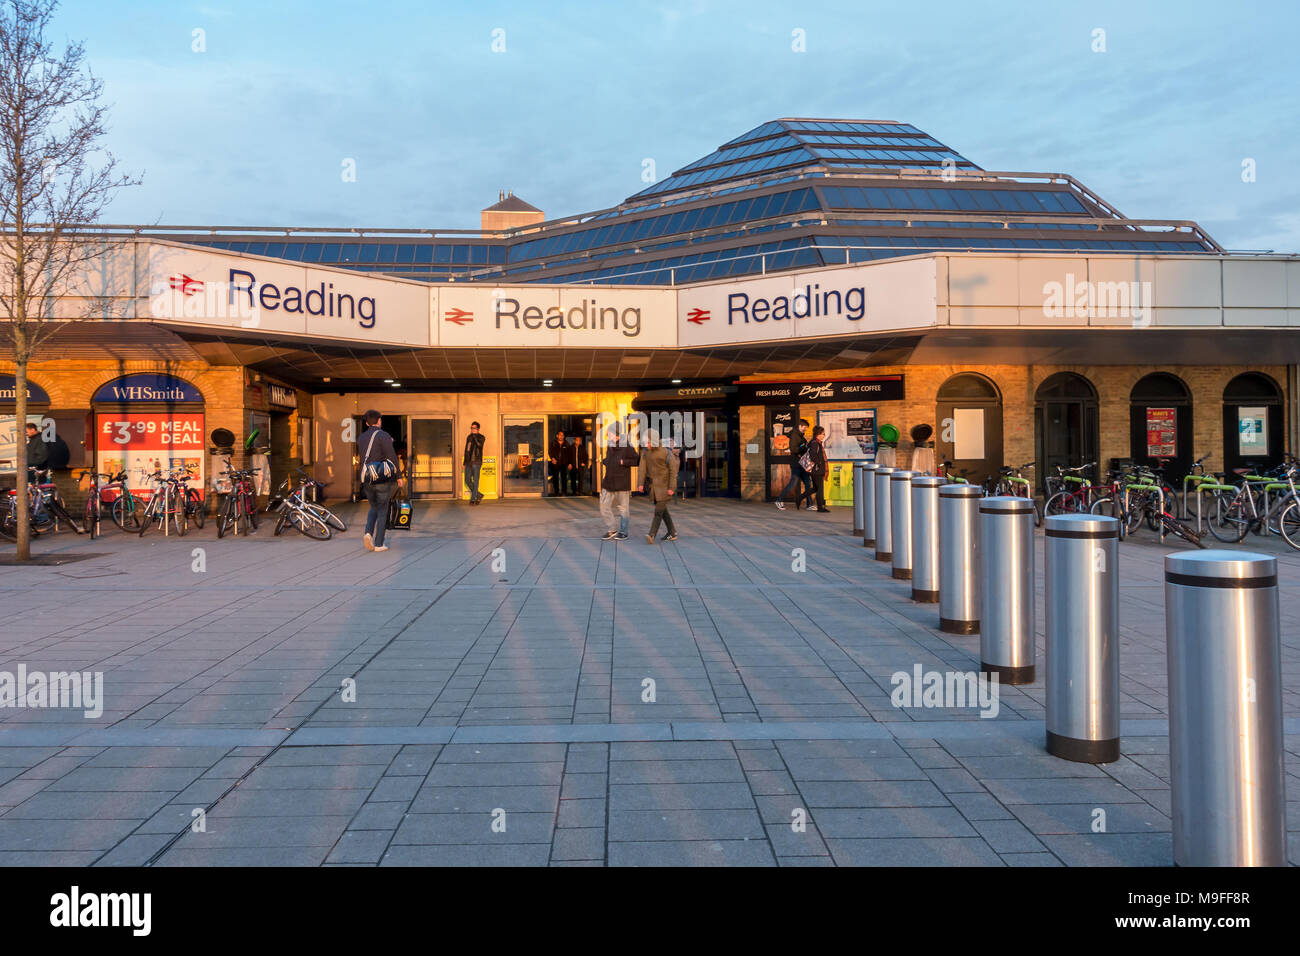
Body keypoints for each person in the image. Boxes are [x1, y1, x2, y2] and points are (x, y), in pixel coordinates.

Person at [359, 409, 401, 552]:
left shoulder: (362, 437)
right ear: (379, 421)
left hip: (367, 478)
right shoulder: (383, 435)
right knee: (383, 509)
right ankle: (378, 544)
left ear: (366, 422)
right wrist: (399, 476)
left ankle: (368, 532)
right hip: (382, 478)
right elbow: (392, 457)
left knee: (373, 507)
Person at [599, 422, 639, 540]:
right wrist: (606, 461)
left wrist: (624, 462)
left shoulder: (626, 446)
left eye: (609, 432)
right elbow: (609, 459)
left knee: (623, 509)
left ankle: (623, 532)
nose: (608, 434)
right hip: (609, 482)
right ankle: (612, 529)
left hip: (622, 483)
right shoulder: (609, 445)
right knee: (603, 506)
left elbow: (637, 460)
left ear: (616, 434)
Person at [638, 430, 680, 543]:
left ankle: (652, 534)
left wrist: (672, 487)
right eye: (645, 442)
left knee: (658, 511)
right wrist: (640, 484)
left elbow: (673, 471)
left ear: (654, 441)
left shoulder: (666, 452)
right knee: (662, 511)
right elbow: (642, 469)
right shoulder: (645, 452)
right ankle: (672, 533)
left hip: (665, 487)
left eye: (648, 442)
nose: (646, 445)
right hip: (654, 488)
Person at [774, 419, 813, 511]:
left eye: (806, 428)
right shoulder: (795, 435)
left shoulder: (800, 436)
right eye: (805, 428)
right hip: (796, 463)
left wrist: (805, 446)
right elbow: (794, 450)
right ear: (800, 426)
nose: (805, 429)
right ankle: (779, 500)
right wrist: (804, 446)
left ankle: (809, 504)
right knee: (793, 483)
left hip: (802, 463)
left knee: (808, 483)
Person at [803, 424, 830, 512]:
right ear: (818, 434)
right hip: (817, 470)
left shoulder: (816, 442)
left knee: (815, 488)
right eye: (823, 433)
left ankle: (799, 498)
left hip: (817, 469)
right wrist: (820, 463)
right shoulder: (815, 443)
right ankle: (820, 508)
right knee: (819, 489)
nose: (824, 435)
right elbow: (813, 456)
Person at [463, 421, 485, 504]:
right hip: (469, 462)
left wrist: (474, 436)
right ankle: (478, 495)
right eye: (471, 428)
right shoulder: (469, 437)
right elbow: (467, 450)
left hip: (476, 461)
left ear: (478, 429)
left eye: (474, 428)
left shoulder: (481, 437)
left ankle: (473, 499)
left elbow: (479, 446)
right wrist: (464, 463)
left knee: (476, 480)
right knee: (467, 480)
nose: (472, 429)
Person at [548, 429, 571, 497]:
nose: (561, 436)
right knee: (555, 478)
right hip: (555, 463)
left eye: (562, 435)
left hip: (564, 463)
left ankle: (564, 492)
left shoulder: (566, 443)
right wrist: (552, 458)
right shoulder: (553, 443)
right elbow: (550, 451)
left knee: (564, 478)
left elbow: (569, 454)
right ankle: (556, 492)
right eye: (560, 435)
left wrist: (569, 463)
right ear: (557, 436)